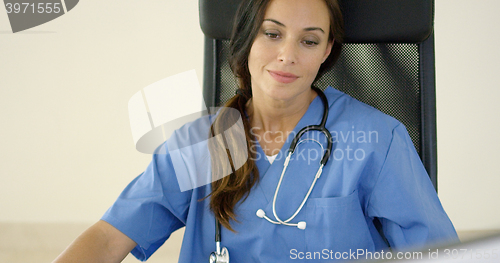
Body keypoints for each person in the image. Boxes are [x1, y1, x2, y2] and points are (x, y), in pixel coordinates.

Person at [53, 0, 459, 262]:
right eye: (272, 33)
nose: (287, 55)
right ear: (248, 39)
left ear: (327, 51)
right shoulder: (203, 144)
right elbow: (109, 239)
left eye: (309, 41)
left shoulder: (376, 140)